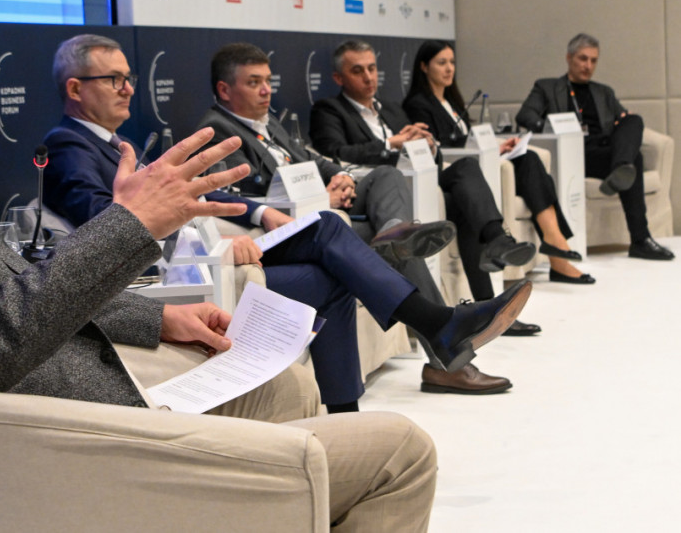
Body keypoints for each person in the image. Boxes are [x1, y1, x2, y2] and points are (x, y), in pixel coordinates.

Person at [0, 0, 444, 531]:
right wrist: (133, 222)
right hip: (78, 444)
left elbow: (6, 290)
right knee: (401, 452)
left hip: (95, 395)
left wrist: (155, 319)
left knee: (286, 385)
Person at [44, 34, 520, 398]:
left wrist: (261, 210)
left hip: (210, 253)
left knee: (331, 253)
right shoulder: (68, 146)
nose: (128, 88)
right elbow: (104, 226)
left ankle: (350, 409)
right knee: (331, 236)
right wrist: (210, 241)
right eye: (114, 80)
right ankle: (436, 325)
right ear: (75, 88)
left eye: (129, 77)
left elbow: (192, 193)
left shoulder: (118, 144)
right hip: (179, 272)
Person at [192, 41, 532, 393]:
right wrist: (292, 204)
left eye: (267, 81)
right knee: (393, 247)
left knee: (387, 179)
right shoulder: (216, 130)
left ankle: (394, 234)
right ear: (225, 90)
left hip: (325, 214)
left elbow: (313, 161)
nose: (266, 90)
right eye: (254, 82)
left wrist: (341, 176)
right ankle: (443, 354)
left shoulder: (268, 123)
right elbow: (216, 193)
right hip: (294, 229)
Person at [310, 39, 545, 330]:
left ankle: (496, 243)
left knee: (466, 171)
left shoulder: (392, 110)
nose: (368, 77)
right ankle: (480, 307)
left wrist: (429, 147)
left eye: (372, 68)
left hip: (420, 178)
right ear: (338, 78)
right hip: (383, 190)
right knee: (459, 202)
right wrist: (390, 144)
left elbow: (423, 155)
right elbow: (335, 153)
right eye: (358, 71)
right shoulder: (328, 110)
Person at [402, 40, 595, 285]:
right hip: (460, 169)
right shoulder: (417, 104)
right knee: (529, 168)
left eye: (452, 62)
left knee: (529, 158)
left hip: (478, 159)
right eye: (442, 63)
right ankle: (556, 248)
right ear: (424, 66)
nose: (449, 68)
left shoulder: (453, 102)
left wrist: (497, 146)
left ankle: (554, 240)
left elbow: (465, 138)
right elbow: (436, 145)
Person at [516, 33, 674, 261]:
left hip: (603, 152)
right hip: (573, 154)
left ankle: (621, 170)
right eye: (583, 59)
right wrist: (551, 127)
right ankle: (639, 235)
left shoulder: (604, 92)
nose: (588, 66)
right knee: (635, 159)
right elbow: (525, 115)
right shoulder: (547, 87)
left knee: (633, 121)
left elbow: (622, 121)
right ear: (569, 58)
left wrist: (624, 123)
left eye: (593, 60)